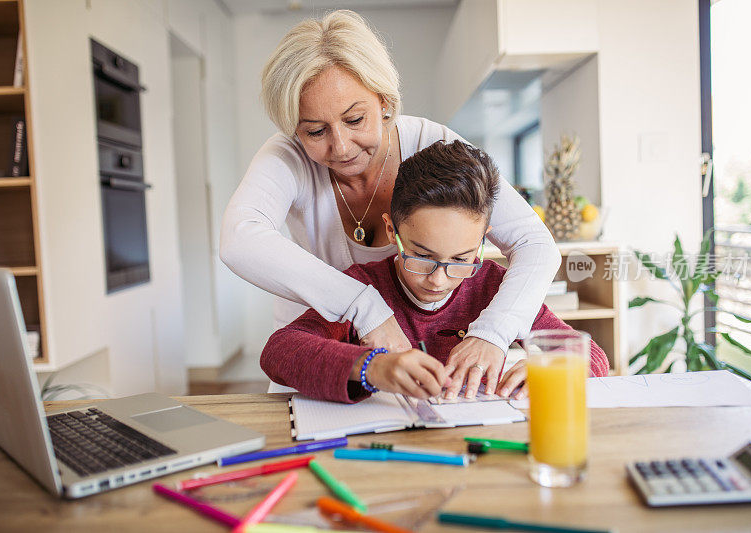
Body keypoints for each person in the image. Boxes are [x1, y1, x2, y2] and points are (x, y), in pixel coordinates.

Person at [220, 10, 561, 396]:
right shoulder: (287, 156)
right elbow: (239, 239)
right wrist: (364, 306)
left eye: (355, 119)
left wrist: (493, 333)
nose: (341, 147)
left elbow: (535, 244)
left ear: (383, 100)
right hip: (324, 357)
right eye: (315, 131)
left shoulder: (437, 149)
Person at [260, 140, 609, 403]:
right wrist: (373, 368)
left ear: (483, 241)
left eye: (461, 259)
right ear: (393, 232)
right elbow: (279, 351)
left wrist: (551, 373)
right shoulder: (361, 286)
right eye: (422, 257)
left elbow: (591, 356)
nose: (438, 279)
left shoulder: (494, 286)